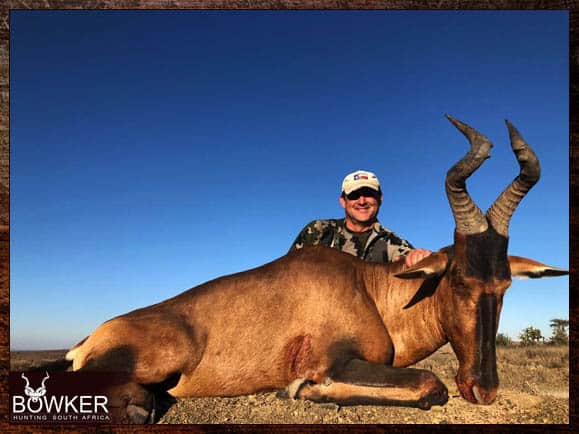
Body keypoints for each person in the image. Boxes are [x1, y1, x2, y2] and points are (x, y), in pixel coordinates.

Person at [289, 170, 431, 267]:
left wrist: (420, 257)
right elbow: (287, 271)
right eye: (354, 195)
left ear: (380, 199)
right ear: (343, 201)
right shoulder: (318, 230)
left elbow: (411, 260)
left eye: (368, 193)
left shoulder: (393, 243)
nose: (362, 201)